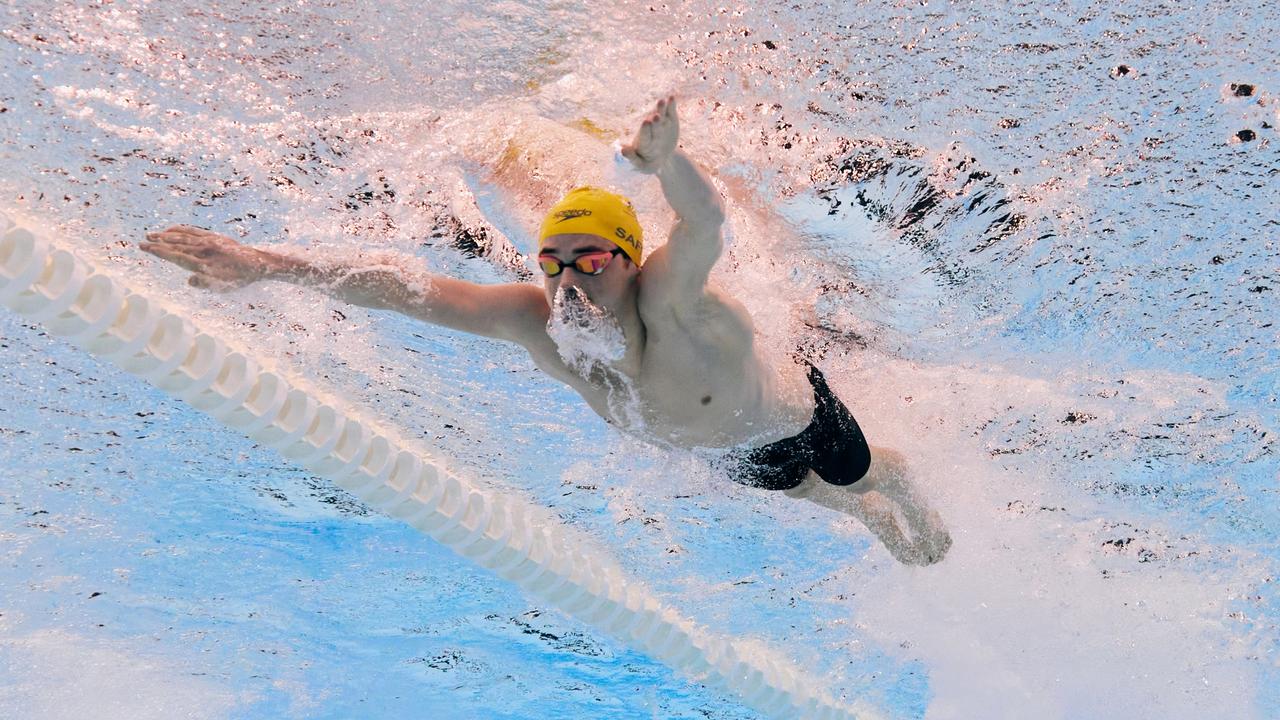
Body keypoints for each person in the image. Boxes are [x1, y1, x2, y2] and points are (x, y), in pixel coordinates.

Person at [141, 96, 950, 565]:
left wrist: (665, 163)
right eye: (553, 260)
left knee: (852, 470)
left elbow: (704, 225)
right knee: (816, 497)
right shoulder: (538, 322)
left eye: (590, 258)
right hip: (733, 453)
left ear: (631, 260)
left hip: (795, 415)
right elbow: (410, 293)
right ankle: (869, 514)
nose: (568, 277)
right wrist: (265, 263)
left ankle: (898, 480)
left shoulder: (670, 300)